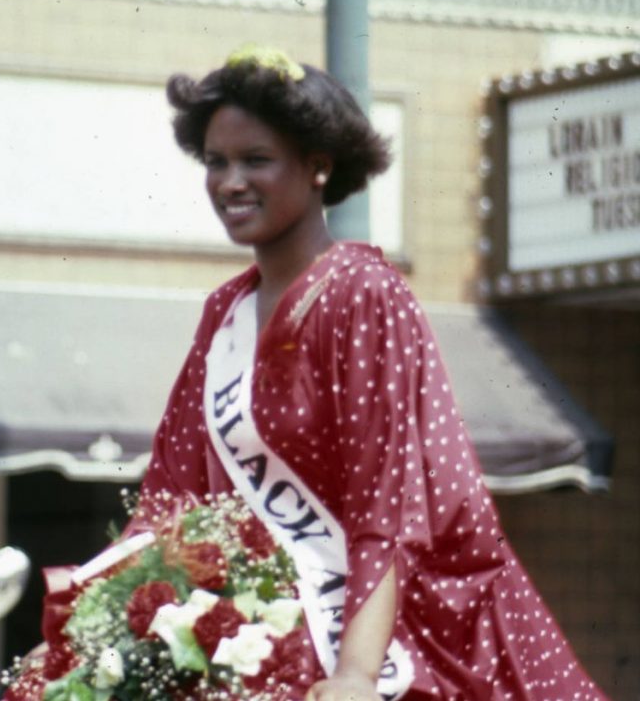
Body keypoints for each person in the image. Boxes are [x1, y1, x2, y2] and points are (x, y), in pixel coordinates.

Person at [136, 46, 609, 700]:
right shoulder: (226, 311)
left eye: (256, 160)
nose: (229, 182)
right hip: (267, 642)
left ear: (319, 167)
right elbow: (171, 493)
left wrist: (356, 674)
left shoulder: (362, 295)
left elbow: (384, 501)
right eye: (216, 162)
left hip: (392, 638)